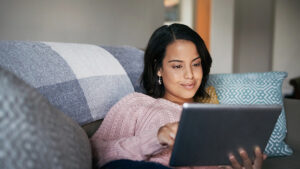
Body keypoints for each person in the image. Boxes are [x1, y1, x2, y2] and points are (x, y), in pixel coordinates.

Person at [90, 23, 266, 169]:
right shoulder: (136, 104)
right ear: (159, 68)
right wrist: (156, 138)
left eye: (196, 64)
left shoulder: (214, 119)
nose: (189, 75)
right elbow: (95, 154)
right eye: (177, 66)